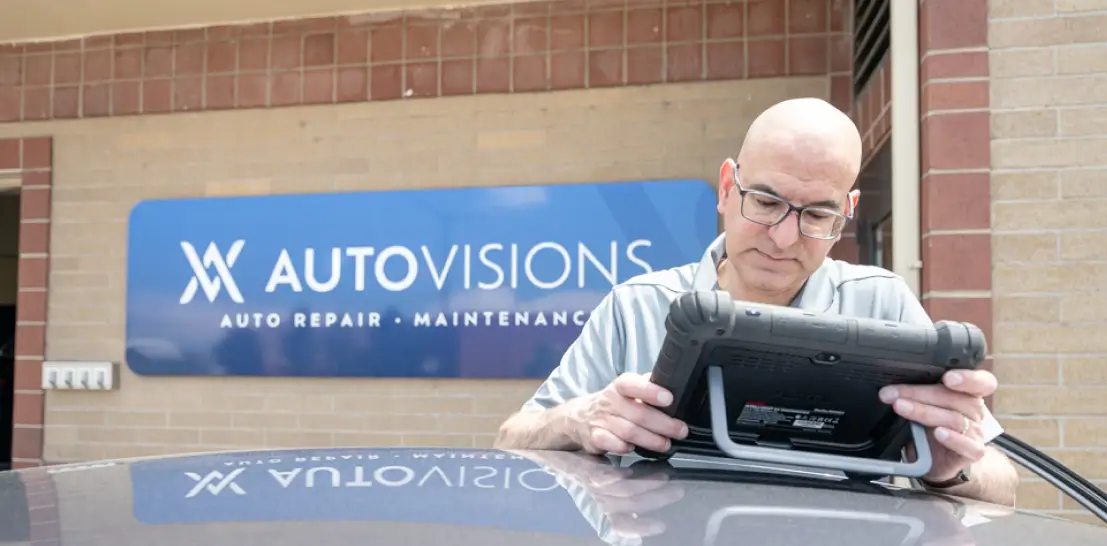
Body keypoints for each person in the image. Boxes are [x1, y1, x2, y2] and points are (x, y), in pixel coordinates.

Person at [494, 97, 1019, 506]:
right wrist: (579, 417)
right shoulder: (638, 306)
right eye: (766, 202)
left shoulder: (882, 302)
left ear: (848, 211)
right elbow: (511, 441)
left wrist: (949, 467)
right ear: (727, 187)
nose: (784, 238)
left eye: (817, 216)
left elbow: (1004, 483)